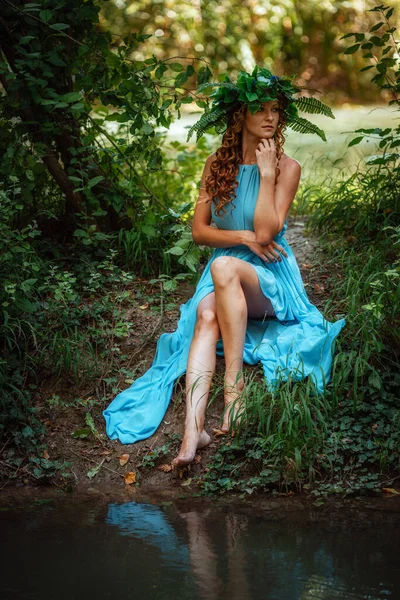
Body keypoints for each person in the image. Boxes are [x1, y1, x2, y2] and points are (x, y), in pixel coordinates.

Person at [103, 66, 346, 466]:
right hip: (225, 268)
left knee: (226, 269)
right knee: (205, 313)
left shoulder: (288, 168)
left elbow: (267, 233)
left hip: (269, 279)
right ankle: (191, 434)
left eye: (276, 110)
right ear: (239, 116)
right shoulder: (217, 163)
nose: (270, 117)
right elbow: (200, 231)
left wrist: (266, 176)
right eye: (261, 109)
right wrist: (243, 237)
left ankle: (235, 393)